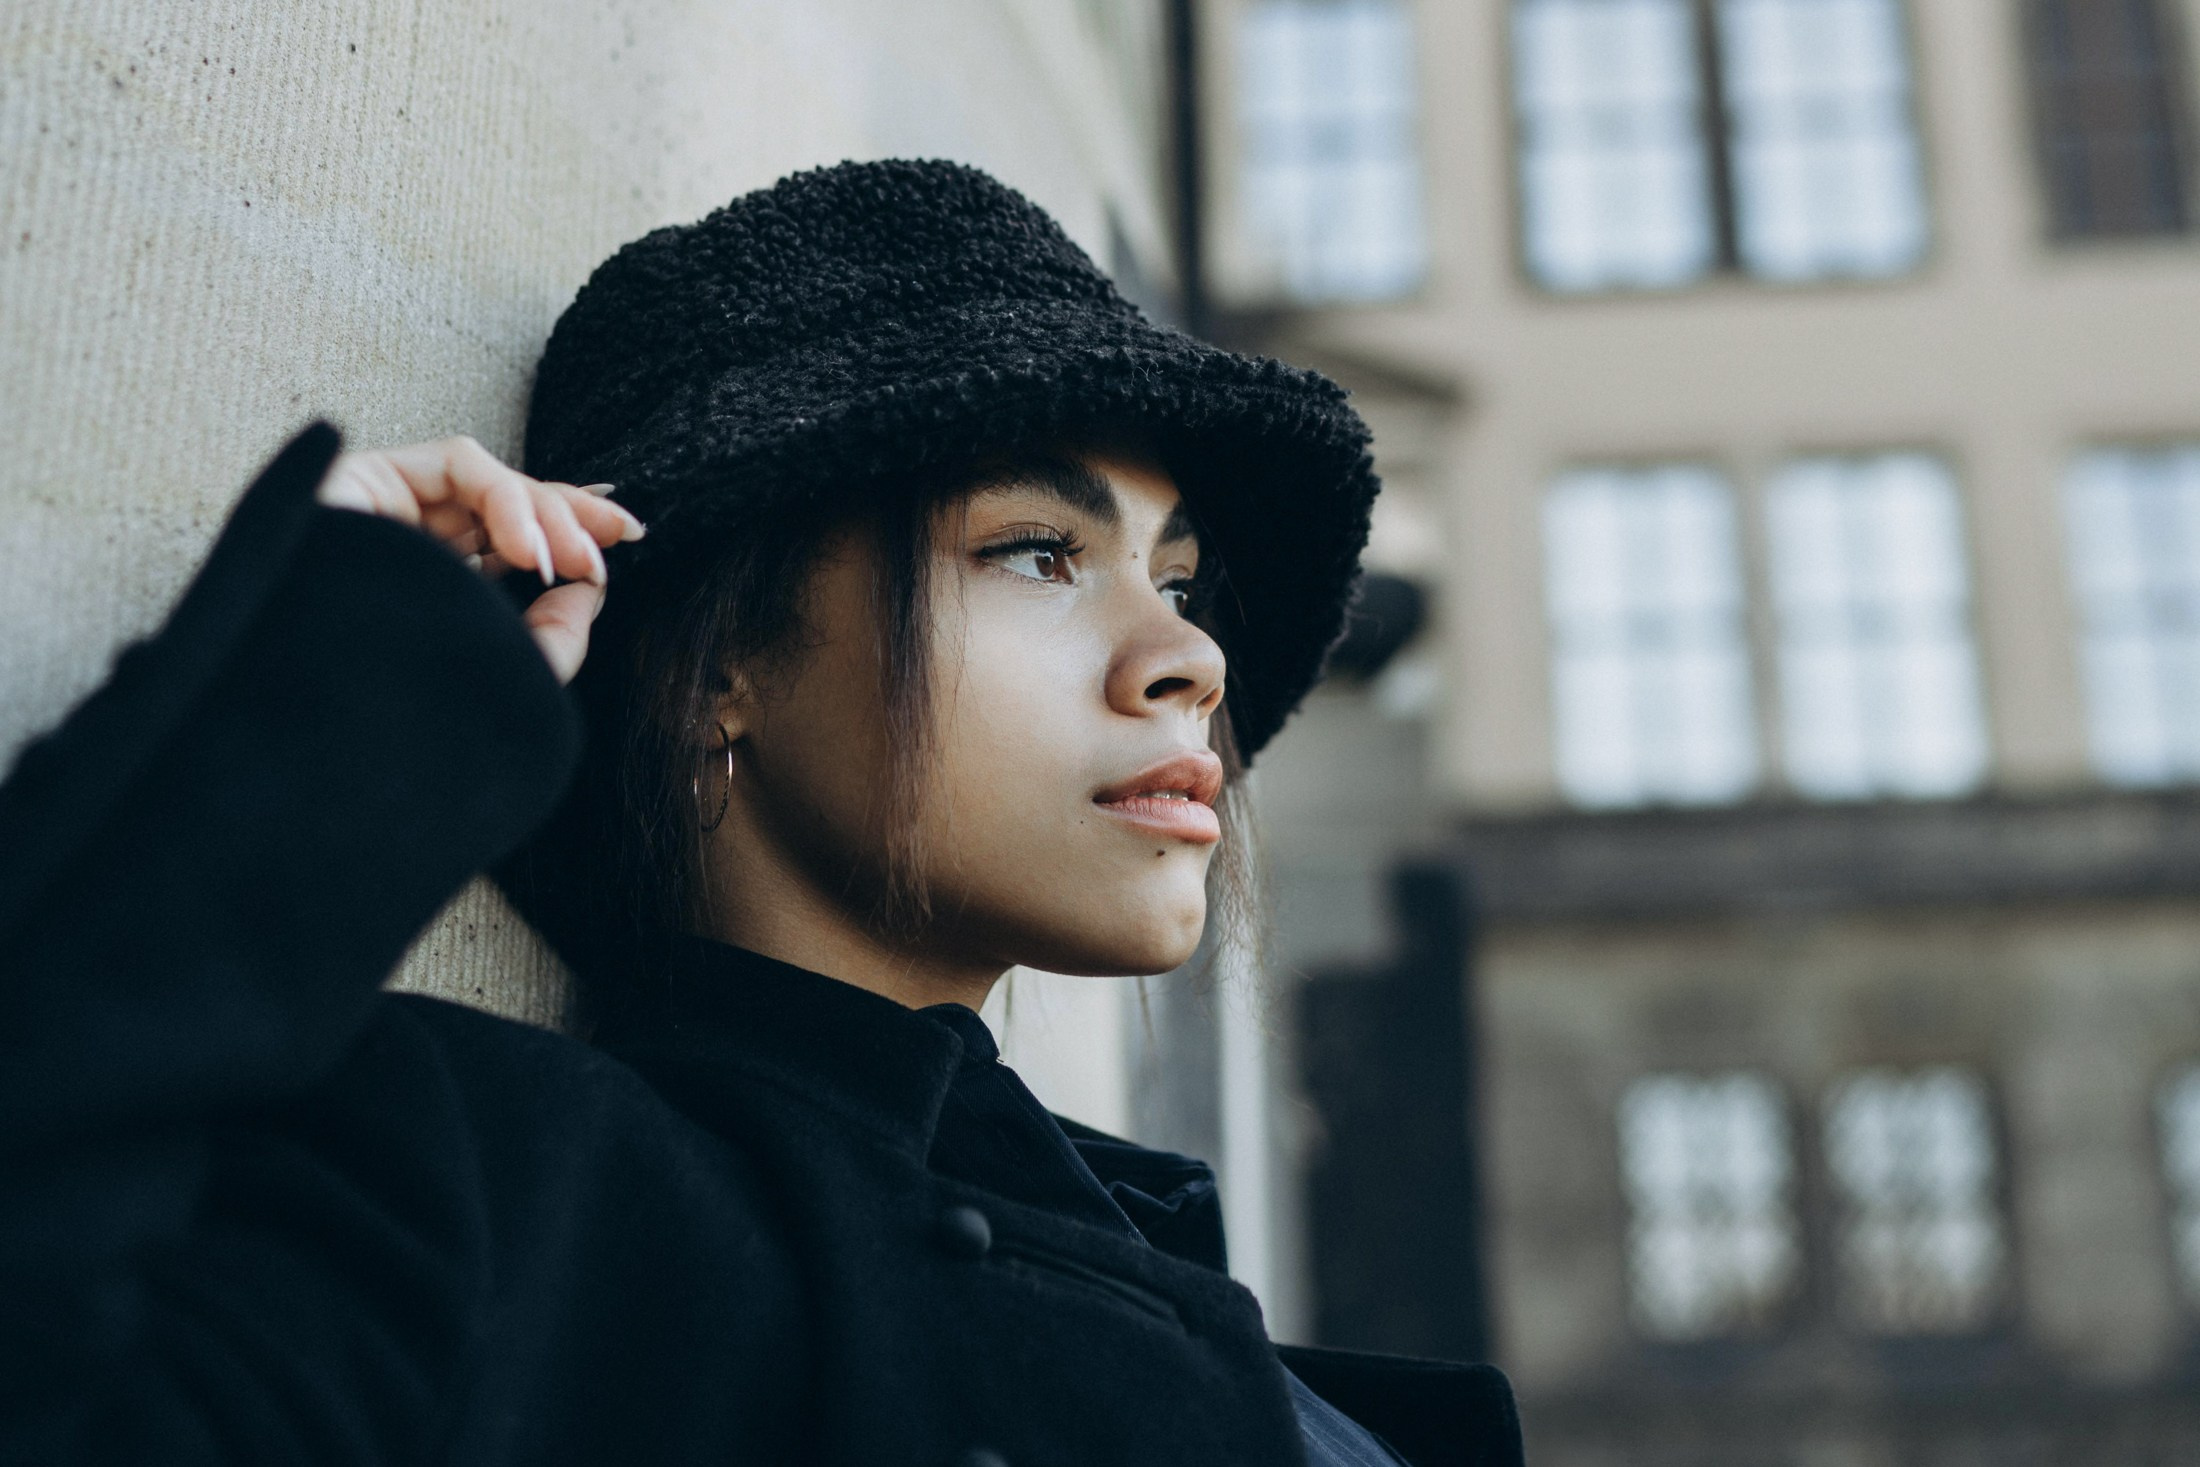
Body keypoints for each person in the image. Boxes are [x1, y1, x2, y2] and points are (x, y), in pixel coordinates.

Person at [0, 160, 1520, 1467]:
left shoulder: (1139, 1248)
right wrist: (323, 698)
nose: (1190, 658)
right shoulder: (507, 1205)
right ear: (716, 668)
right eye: (1039, 553)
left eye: (1177, 581)